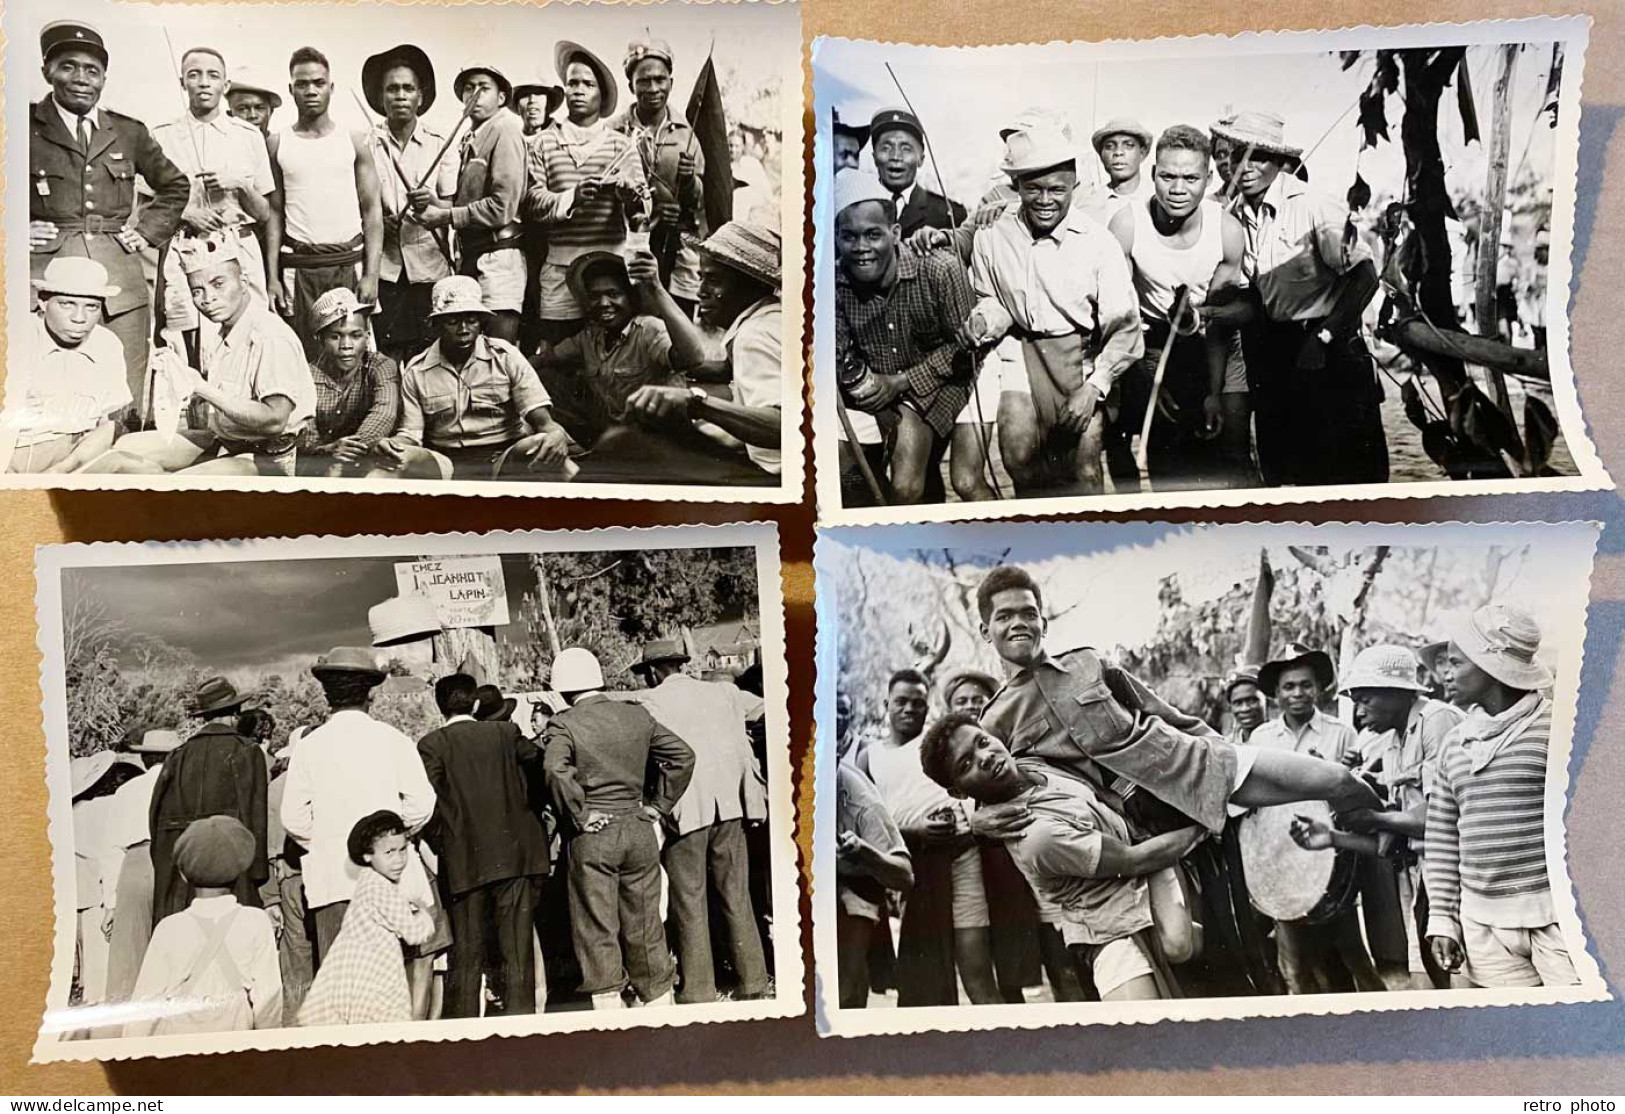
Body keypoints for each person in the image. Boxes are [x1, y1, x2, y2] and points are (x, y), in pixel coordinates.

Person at [972, 565, 1380, 841]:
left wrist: (1224, 752)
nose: (1019, 623)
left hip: (1194, 768)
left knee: (1338, 781)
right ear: (986, 631)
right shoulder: (993, 722)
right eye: (1004, 617)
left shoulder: (1088, 662)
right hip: (1129, 826)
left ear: (1043, 622)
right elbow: (988, 793)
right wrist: (975, 822)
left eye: (1028, 612)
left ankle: (1389, 838)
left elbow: (1164, 714)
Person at [921, 714, 1205, 1000]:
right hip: (1109, 928)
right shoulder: (1035, 836)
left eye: (982, 742)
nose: (984, 757)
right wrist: (1206, 823)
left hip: (1146, 888)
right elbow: (1134, 859)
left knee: (1182, 946)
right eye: (966, 764)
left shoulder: (1032, 760)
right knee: (1143, 1033)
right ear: (957, 792)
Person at [962, 121, 1144, 498]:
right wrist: (984, 320)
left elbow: (1126, 328)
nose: (1045, 200)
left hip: (1081, 358)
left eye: (1057, 190)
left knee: (1085, 471)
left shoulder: (1098, 244)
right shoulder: (992, 236)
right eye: (1033, 189)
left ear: (1073, 187)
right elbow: (991, 297)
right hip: (1019, 353)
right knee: (1018, 458)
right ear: (1017, 187)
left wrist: (1096, 386)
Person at [1216, 110, 1387, 487]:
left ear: (1279, 161)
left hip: (1328, 348)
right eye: (1237, 153)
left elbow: (1365, 276)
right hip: (1273, 354)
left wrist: (1324, 337)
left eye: (1257, 156)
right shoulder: (1233, 215)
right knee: (1285, 473)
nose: (1244, 166)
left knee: (1345, 475)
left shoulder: (1312, 204)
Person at [30, 20, 190, 411]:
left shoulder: (128, 131)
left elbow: (175, 185)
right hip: (48, 278)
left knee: (126, 388)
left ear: (104, 78)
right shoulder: (21, 125)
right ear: (46, 72)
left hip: (118, 281)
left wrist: (147, 232)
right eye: (68, 66)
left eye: (92, 70)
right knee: (47, 384)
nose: (81, 79)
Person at [1290, 643, 1466, 991]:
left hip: (1457, 874)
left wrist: (1374, 816)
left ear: (1398, 693)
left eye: (1366, 698)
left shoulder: (1437, 721)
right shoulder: (1392, 741)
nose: (1359, 711)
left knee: (1461, 984)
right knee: (1430, 981)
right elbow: (1393, 844)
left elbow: (1441, 820)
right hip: (1421, 878)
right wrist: (1334, 837)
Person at [1425, 605, 1577, 988]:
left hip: (1559, 918)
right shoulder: (1454, 743)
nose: (1445, 674)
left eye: (1456, 663)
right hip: (1483, 924)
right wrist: (1444, 918)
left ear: (1489, 668)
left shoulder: (1558, 730)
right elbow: (1443, 837)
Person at [83, 230, 316, 476]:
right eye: (197, 291)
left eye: (218, 284)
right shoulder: (226, 329)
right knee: (123, 449)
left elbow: (274, 420)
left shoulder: (269, 335)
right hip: (228, 441)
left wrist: (202, 387)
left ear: (244, 283)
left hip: (268, 457)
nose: (207, 298)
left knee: (175, 483)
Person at [542, 647, 695, 1010]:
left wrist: (579, 814)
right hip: (639, 826)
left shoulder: (564, 723)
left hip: (593, 834)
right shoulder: (635, 715)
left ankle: (610, 1012)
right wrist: (659, 805)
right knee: (645, 925)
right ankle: (659, 1007)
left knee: (596, 927)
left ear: (563, 690)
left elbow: (553, 770)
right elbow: (682, 756)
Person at [1107, 125, 1248, 491]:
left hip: (1214, 341)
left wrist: (1213, 394)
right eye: (1167, 176)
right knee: (1167, 462)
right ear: (1153, 174)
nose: (1178, 189)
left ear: (1208, 177)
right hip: (1151, 344)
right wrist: (1146, 377)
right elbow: (1121, 316)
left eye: (1191, 177)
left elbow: (1220, 324)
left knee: (1231, 460)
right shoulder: (1126, 225)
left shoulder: (1228, 231)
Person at [629, 640, 770, 1003]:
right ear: (681, 664)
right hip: (733, 804)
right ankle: (753, 981)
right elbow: (769, 710)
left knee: (689, 898)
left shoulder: (651, 702)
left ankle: (699, 990)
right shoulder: (724, 691)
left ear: (653, 672)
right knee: (735, 892)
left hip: (686, 808)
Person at [280, 647, 436, 965]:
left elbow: (293, 818)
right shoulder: (394, 740)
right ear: (370, 693)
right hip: (390, 881)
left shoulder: (308, 748)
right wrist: (384, 839)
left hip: (332, 882)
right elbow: (421, 805)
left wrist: (329, 841)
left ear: (327, 694)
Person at [861, 668, 1004, 1006]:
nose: (910, 709)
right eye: (901, 702)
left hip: (962, 855)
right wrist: (916, 831)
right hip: (916, 865)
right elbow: (869, 821)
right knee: (925, 977)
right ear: (886, 704)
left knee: (977, 972)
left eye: (918, 703)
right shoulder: (870, 756)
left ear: (928, 707)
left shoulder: (939, 744)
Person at [833, 169, 976, 504]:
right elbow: (838, 352)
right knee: (842, 470)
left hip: (944, 380)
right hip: (876, 386)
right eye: (849, 237)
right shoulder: (834, 283)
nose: (861, 248)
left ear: (895, 233)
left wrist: (900, 383)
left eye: (873, 235)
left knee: (906, 486)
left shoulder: (940, 269)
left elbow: (969, 349)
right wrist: (867, 387)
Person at [1250, 642, 1383, 994]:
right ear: (1276, 694)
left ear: (1319, 688)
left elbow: (1355, 796)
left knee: (1352, 952)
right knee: (1293, 961)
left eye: (1306, 685)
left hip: (1333, 856)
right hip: (1282, 857)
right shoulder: (1261, 738)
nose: (1298, 694)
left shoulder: (1342, 734)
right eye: (1289, 687)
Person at [416, 673, 550, 1018]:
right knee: (517, 949)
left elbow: (426, 803)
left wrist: (444, 840)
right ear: (475, 703)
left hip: (464, 859)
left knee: (467, 952)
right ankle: (522, 1029)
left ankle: (465, 1033)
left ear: (440, 706)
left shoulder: (432, 744)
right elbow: (541, 767)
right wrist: (527, 814)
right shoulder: (505, 733)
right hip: (516, 852)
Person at [619, 222, 786, 482]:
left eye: (714, 280)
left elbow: (784, 426)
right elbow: (724, 370)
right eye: (701, 278)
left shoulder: (754, 336)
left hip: (781, 474)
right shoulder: (772, 318)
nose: (700, 292)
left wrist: (696, 403)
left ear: (749, 284)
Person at [372, 275, 575, 482]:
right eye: (452, 321)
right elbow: (411, 435)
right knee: (391, 464)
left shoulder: (506, 356)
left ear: (482, 323)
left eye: (471, 320)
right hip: (444, 461)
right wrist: (393, 445)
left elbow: (543, 421)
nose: (463, 330)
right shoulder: (417, 370)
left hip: (504, 456)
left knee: (546, 447)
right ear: (436, 324)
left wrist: (555, 434)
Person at [149, 45, 277, 356]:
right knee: (186, 343)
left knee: (249, 337)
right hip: (185, 251)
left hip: (238, 249)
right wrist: (185, 212)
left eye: (213, 75)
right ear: (183, 83)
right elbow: (144, 208)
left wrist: (240, 185)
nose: (204, 83)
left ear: (225, 85)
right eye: (194, 75)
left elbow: (264, 214)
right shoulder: (163, 136)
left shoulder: (247, 136)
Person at [525, 42, 648, 344]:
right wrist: (573, 196)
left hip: (610, 271)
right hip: (560, 271)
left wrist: (630, 197)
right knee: (559, 354)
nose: (578, 90)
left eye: (587, 84)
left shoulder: (622, 145)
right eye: (572, 83)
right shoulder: (542, 143)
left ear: (601, 93)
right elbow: (531, 201)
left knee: (612, 351)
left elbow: (643, 211)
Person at [266, 46, 383, 357]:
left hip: (347, 264)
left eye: (318, 83)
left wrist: (371, 275)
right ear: (291, 89)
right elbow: (274, 213)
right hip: (300, 267)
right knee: (304, 357)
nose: (311, 91)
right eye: (302, 84)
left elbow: (372, 211)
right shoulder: (278, 142)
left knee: (354, 356)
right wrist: (272, 279)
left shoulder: (354, 140)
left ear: (331, 87)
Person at [125, 816, 281, 1036]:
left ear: (183, 875)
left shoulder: (169, 928)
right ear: (239, 870)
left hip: (179, 1047)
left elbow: (144, 1005)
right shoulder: (255, 922)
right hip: (235, 1041)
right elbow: (269, 1003)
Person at [409, 62, 528, 346]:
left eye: (484, 88)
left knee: (499, 353)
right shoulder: (468, 138)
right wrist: (432, 203)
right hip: (472, 258)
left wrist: (445, 215)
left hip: (499, 260)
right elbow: (464, 204)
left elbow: (502, 208)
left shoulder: (506, 130)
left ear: (501, 98)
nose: (474, 94)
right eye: (468, 88)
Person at [531, 252, 690, 450]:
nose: (604, 303)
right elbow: (545, 359)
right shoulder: (590, 337)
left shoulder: (650, 329)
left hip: (660, 440)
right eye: (595, 296)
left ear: (630, 297)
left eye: (614, 294)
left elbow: (691, 358)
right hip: (616, 437)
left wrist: (656, 287)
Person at [361, 45, 457, 364]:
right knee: (388, 359)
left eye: (408, 88)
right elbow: (359, 207)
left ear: (420, 96)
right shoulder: (366, 145)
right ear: (381, 97)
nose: (400, 95)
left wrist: (432, 204)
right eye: (392, 88)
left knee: (430, 359)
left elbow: (452, 207)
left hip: (430, 269)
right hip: (386, 271)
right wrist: (375, 222)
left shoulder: (440, 142)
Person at [297, 811, 437, 1026]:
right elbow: (414, 934)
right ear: (367, 856)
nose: (399, 860)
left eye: (402, 850)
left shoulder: (368, 880)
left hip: (355, 970)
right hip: (374, 974)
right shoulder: (380, 889)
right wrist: (423, 911)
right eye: (389, 852)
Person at [148, 677, 268, 925]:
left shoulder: (177, 755)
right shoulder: (247, 751)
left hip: (181, 875)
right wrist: (257, 875)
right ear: (236, 713)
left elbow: (156, 817)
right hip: (231, 872)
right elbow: (256, 817)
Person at [6, 258, 132, 473]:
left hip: (79, 455)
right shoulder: (12, 337)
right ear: (43, 302)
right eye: (67, 304)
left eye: (92, 307)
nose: (79, 318)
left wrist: (64, 469)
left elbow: (107, 424)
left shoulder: (107, 344)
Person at [609, 37, 707, 312]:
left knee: (676, 330)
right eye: (644, 81)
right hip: (626, 247)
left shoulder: (687, 133)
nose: (653, 88)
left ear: (671, 83)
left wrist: (689, 181)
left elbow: (698, 202)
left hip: (675, 252)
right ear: (631, 85)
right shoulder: (613, 131)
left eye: (660, 80)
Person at [100, 730, 181, 1009]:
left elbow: (111, 849)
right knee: (173, 943)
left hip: (134, 863)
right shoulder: (180, 786)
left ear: (145, 758)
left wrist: (110, 903)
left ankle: (125, 1020)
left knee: (129, 952)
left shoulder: (126, 791)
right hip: (172, 861)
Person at [836, 756, 912, 1010]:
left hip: (853, 887)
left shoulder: (863, 803)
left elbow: (904, 875)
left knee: (844, 990)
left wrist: (867, 854)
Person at [298, 287, 400, 477]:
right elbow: (306, 439)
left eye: (355, 335)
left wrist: (348, 453)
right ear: (320, 340)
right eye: (335, 336)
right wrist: (329, 451)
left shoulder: (381, 366)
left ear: (367, 337)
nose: (346, 345)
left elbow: (384, 414)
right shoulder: (305, 376)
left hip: (367, 459)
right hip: (319, 465)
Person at [264, 724, 315, 1023]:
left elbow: (271, 849)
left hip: (290, 878)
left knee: (297, 960)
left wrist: (270, 898)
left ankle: (297, 1029)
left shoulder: (277, 787)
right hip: (332, 878)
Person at [868, 108, 964, 237]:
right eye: (886, 148)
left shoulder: (949, 213)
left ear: (921, 159)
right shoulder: (856, 211)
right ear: (874, 157)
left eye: (906, 149)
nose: (896, 156)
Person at [1082, 118, 1154, 226]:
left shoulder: (1157, 198)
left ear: (1142, 153)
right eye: (1109, 146)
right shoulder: (1090, 204)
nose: (1118, 152)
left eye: (1129, 145)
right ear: (1101, 155)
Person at [225, 69, 281, 136]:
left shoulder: (282, 143)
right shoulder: (223, 145)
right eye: (242, 109)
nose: (253, 115)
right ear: (230, 114)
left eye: (260, 108)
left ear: (270, 111)